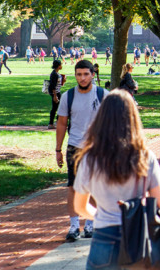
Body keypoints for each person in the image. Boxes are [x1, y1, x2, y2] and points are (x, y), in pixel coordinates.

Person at [74, 90, 160, 270]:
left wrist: (100, 215)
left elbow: (79, 206)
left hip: (103, 237)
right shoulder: (145, 157)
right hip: (137, 239)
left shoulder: (90, 159)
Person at [55, 59, 108, 242]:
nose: (83, 78)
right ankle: (74, 226)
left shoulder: (103, 95)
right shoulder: (67, 96)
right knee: (73, 187)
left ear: (93, 74)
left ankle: (91, 224)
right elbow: (61, 124)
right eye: (79, 74)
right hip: (75, 147)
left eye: (86, 74)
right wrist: (58, 149)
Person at [48, 60, 66, 129]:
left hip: (57, 92)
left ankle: (57, 121)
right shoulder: (54, 74)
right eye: (61, 64)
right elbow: (53, 86)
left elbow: (59, 84)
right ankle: (51, 123)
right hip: (55, 92)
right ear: (58, 66)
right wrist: (55, 96)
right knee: (55, 108)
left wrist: (63, 81)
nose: (62, 66)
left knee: (61, 106)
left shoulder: (57, 73)